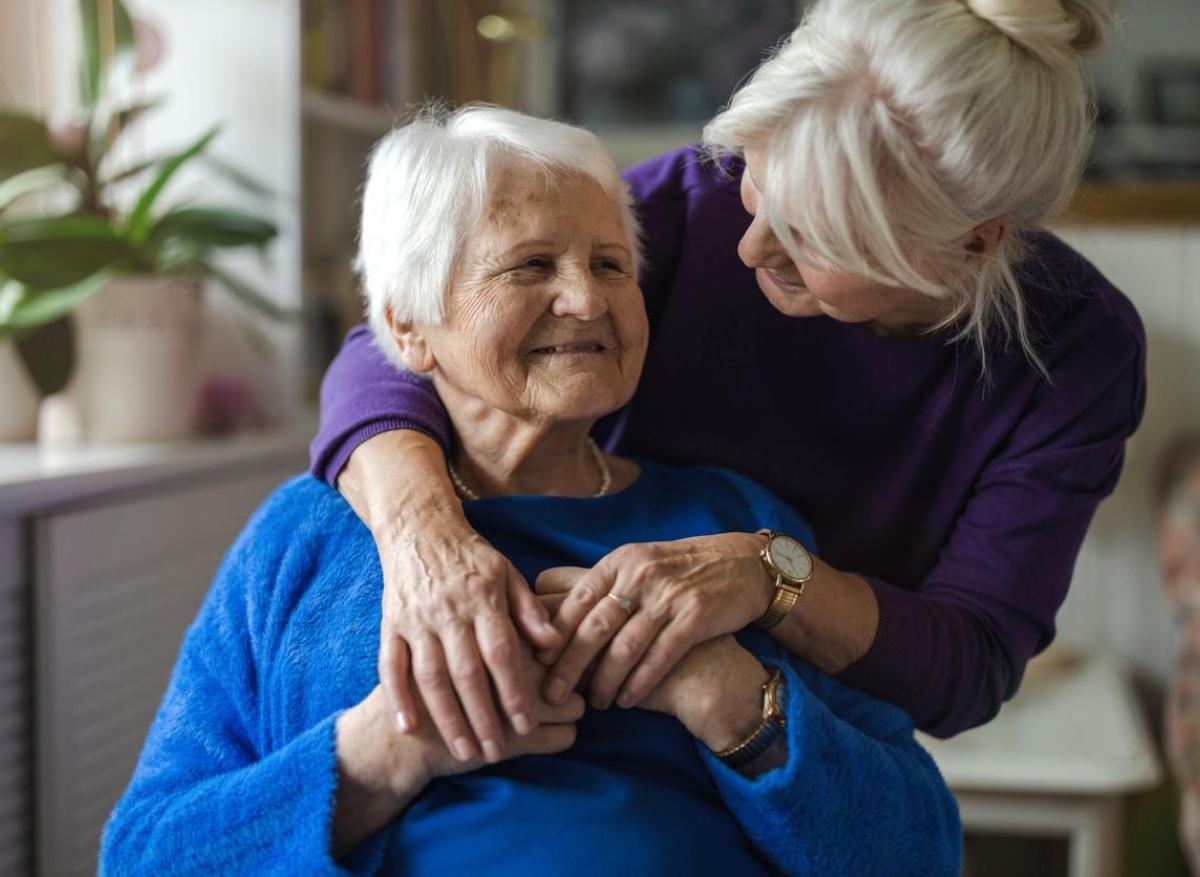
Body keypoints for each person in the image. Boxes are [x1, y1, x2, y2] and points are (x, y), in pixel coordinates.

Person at [99, 106, 960, 875]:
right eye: (531, 265)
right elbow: (143, 855)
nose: (586, 299)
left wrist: (723, 691)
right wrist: (392, 748)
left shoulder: (736, 527)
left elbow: (920, 848)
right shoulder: (305, 536)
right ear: (406, 322)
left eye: (612, 264)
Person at [309, 0, 1146, 762]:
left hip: (800, 729)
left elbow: (970, 663)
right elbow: (393, 341)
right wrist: (428, 543)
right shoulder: (694, 202)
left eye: (813, 236)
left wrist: (773, 576)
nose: (749, 249)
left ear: (974, 244)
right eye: (757, 184)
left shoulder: (1076, 351)